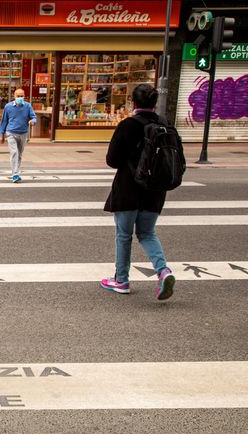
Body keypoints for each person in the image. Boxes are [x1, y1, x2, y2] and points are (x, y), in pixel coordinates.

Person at [100, 83, 176, 301]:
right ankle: (163, 271)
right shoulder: (165, 125)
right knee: (147, 233)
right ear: (154, 103)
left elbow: (112, 160)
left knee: (124, 236)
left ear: (133, 102)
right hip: (155, 190)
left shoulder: (128, 125)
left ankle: (121, 280)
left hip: (129, 187)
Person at [0, 88, 36, 183]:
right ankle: (15, 174)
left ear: (24, 96)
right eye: (18, 96)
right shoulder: (8, 107)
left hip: (23, 133)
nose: (20, 98)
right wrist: (2, 134)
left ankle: (16, 172)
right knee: (14, 153)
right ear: (14, 96)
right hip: (11, 132)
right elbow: (4, 121)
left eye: (22, 96)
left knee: (19, 154)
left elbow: (33, 117)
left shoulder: (28, 106)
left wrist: (33, 121)